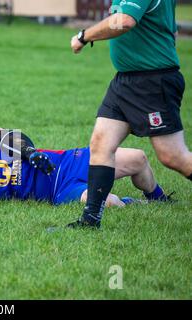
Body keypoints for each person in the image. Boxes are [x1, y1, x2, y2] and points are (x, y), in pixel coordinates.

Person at [68, 0, 190, 228]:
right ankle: (90, 220)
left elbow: (124, 21)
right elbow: (170, 29)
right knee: (101, 143)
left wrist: (84, 36)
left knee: (173, 156)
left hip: (152, 81)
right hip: (126, 80)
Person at [0, 146, 170, 209]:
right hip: (59, 191)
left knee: (138, 158)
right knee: (111, 203)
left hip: (69, 161)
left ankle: (159, 199)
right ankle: (135, 203)